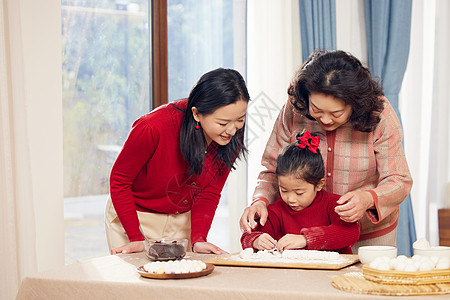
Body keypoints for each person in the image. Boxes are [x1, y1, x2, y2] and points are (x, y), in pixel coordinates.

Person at [240, 50, 412, 252]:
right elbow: (272, 168)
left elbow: (399, 179)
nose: (326, 120)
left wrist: (367, 199)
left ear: (355, 104)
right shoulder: (295, 108)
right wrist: (260, 201)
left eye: (336, 113)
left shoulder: (378, 113)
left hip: (369, 235)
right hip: (303, 236)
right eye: (317, 110)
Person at [106, 68, 250, 255]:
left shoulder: (230, 135)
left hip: (181, 222)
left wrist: (198, 239)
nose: (232, 130)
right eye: (223, 123)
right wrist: (135, 236)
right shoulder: (152, 127)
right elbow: (119, 181)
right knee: (135, 282)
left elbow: (209, 192)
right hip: (134, 218)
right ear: (197, 113)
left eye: (240, 119)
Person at [241, 131, 360, 254]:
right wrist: (256, 240)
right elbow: (248, 236)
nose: (291, 199)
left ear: (319, 184)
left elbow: (350, 232)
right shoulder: (276, 211)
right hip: (290, 273)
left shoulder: (334, 204)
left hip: (333, 272)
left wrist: (306, 239)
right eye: (284, 190)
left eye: (299, 193)